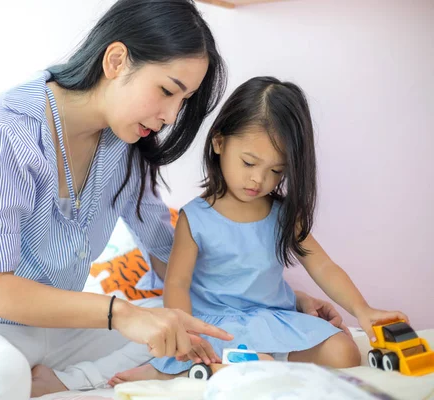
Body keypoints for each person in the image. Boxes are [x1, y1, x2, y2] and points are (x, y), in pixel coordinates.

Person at [0, 0, 349, 398]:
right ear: (117, 60)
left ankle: (66, 377)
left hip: (54, 329)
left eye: (184, 100)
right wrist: (121, 314)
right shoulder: (3, 132)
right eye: (168, 90)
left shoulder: (123, 147)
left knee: (177, 321)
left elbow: (168, 253)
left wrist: (279, 302)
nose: (172, 115)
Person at [110, 76, 409, 384]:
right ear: (219, 143)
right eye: (249, 163)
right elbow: (177, 283)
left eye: (276, 171)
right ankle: (180, 367)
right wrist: (183, 332)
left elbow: (323, 265)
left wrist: (362, 309)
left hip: (272, 320)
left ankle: (254, 365)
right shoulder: (196, 217)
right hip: (216, 326)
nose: (259, 180)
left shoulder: (283, 215)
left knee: (344, 353)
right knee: (222, 355)